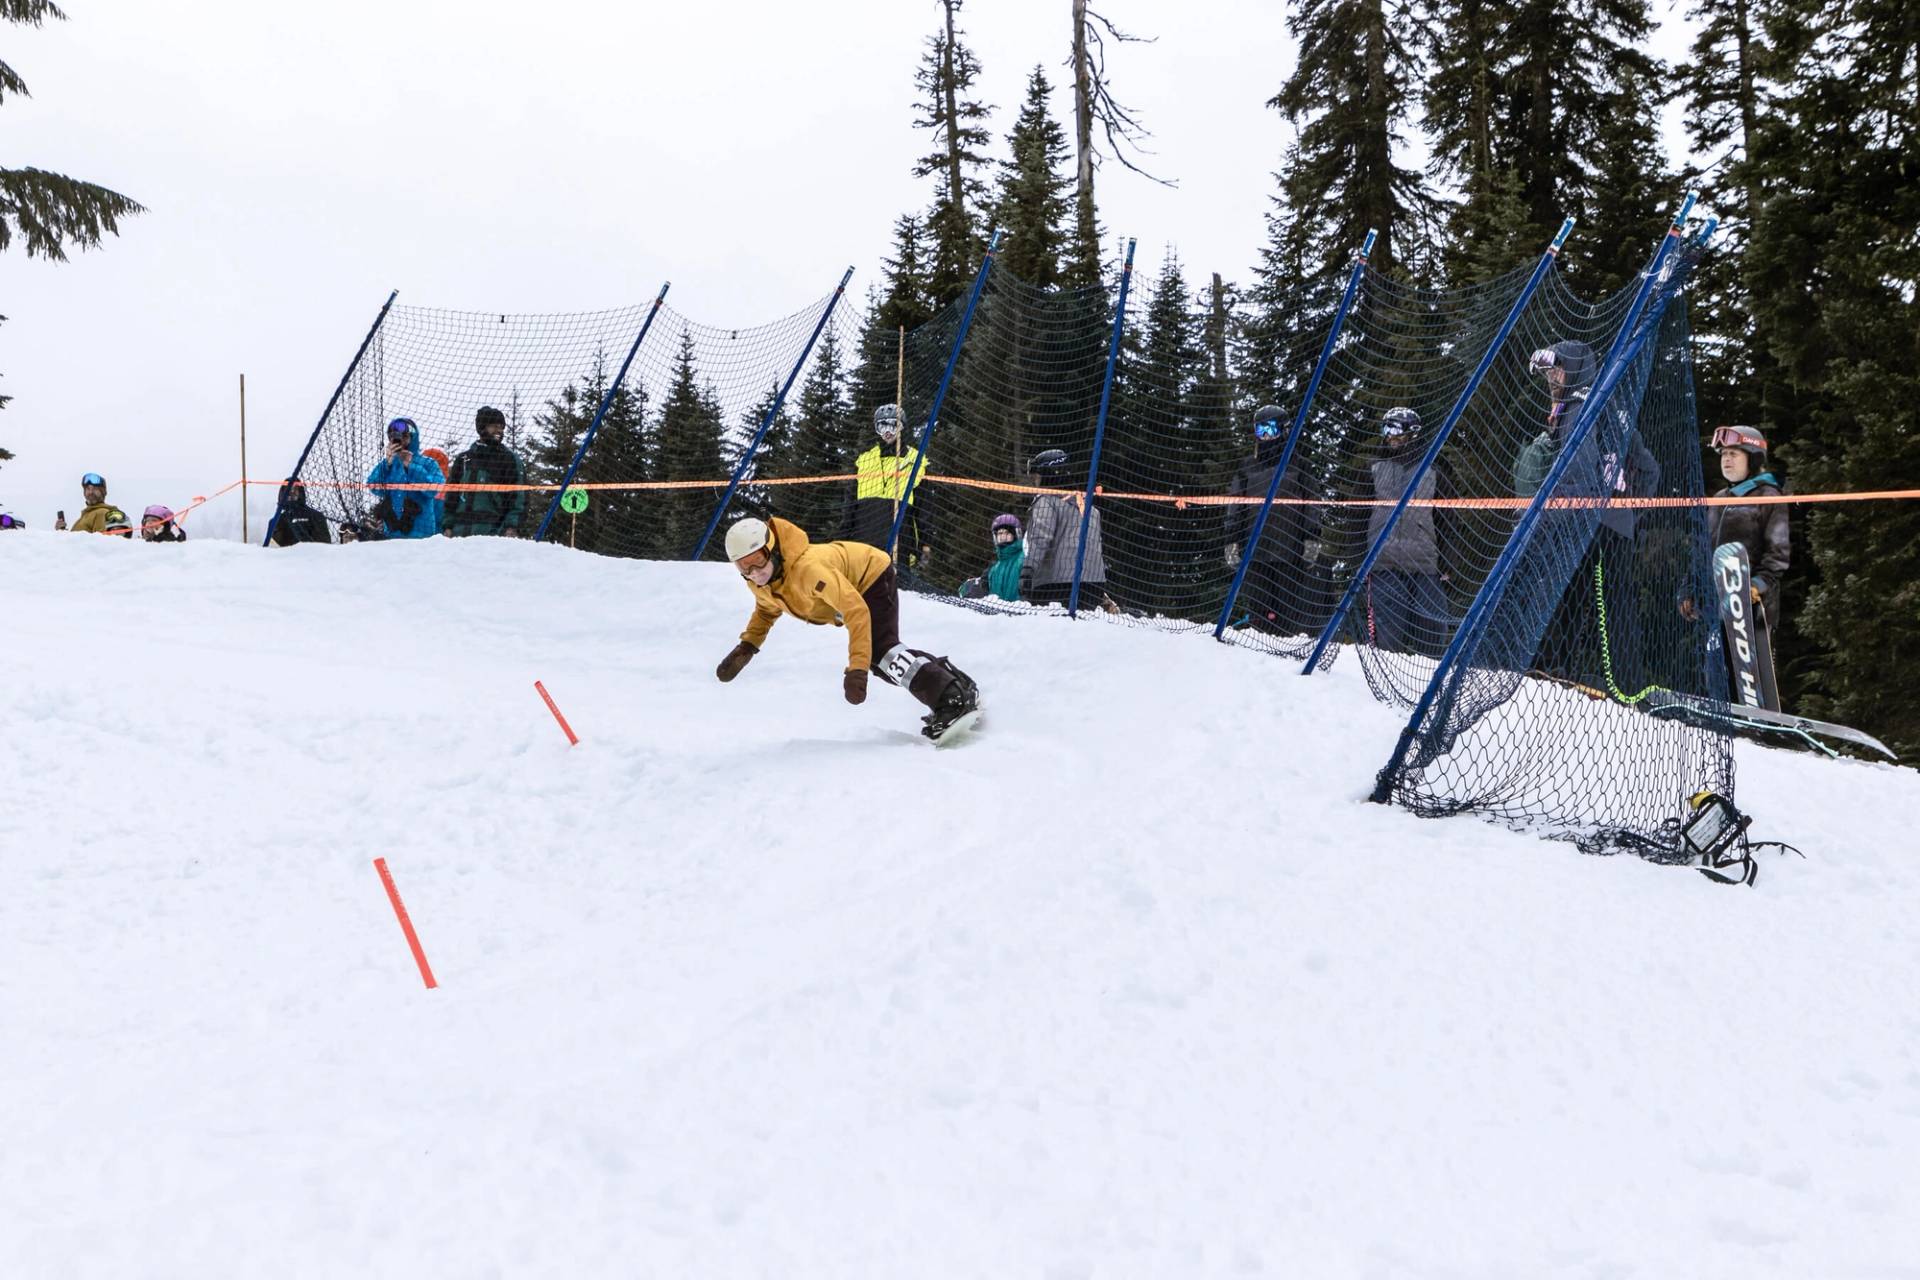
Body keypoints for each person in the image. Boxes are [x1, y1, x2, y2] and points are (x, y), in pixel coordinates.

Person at [714, 515, 982, 742]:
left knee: (881, 652)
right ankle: (951, 684)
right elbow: (767, 608)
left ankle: (951, 697)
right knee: (878, 660)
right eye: (744, 566)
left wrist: (856, 670)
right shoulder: (760, 581)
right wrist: (747, 646)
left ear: (772, 550)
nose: (755, 571)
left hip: (871, 576)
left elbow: (856, 611)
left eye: (758, 559)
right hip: (854, 590)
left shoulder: (808, 570)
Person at [1516, 340, 1662, 686]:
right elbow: (1648, 469)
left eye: (1558, 369)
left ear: (1577, 368)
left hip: (1584, 523)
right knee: (1593, 600)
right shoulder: (1611, 403)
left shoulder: (1578, 408)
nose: (1553, 378)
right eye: (1549, 372)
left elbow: (1578, 474)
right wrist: (1626, 514)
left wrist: (1545, 521)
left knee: (1575, 600)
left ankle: (1598, 681)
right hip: (1609, 525)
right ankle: (1567, 674)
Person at [1224, 404, 1325, 635]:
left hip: (1289, 550)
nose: (1266, 437)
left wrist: (1312, 538)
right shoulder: (1247, 467)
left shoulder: (1299, 465)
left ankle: (1285, 654)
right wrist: (1232, 541)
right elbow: (1235, 506)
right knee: (1260, 610)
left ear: (1284, 431)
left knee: (1288, 610)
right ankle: (1259, 656)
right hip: (1255, 549)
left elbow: (1312, 504)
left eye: (1270, 430)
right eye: (1261, 431)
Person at [1678, 425, 1790, 632]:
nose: (1726, 459)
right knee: (1717, 663)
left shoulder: (1768, 495)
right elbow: (1702, 550)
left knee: (1744, 664)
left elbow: (1778, 555)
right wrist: (1688, 588)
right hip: (1715, 608)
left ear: (1753, 459)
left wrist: (1757, 585)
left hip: (1752, 611)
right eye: (1723, 454)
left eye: (1733, 454)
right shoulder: (1719, 499)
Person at [1364, 408, 1453, 656]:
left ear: (1412, 433)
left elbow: (1448, 519)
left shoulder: (1434, 469)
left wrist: (1447, 561)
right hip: (1384, 562)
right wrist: (1358, 557)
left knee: (1432, 632)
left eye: (1395, 429)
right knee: (1387, 638)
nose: (1389, 436)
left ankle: (1432, 682)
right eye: (1386, 429)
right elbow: (1357, 516)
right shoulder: (1373, 468)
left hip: (1425, 563)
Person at [1021, 449, 1115, 610]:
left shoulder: (1046, 501)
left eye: (1036, 477)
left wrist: (1028, 570)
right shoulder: (1089, 508)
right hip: (1093, 584)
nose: (1035, 482)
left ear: (1048, 475)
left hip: (1056, 584)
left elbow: (1040, 538)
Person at [842, 404, 932, 567]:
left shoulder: (915, 461)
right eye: (881, 426)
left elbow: (923, 508)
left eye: (892, 425)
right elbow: (850, 507)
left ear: (902, 427)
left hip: (899, 546)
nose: (887, 431)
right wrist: (842, 539)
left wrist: (925, 544)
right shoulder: (864, 461)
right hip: (863, 545)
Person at [445, 405, 529, 538]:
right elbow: (451, 497)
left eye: (501, 427)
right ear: (482, 427)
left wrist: (511, 526)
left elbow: (519, 497)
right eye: (494, 426)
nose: (499, 430)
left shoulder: (509, 459)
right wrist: (448, 526)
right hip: (459, 535)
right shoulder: (463, 459)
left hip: (493, 534)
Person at [364, 417, 443, 539]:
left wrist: (410, 465)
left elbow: (433, 490)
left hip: (421, 535)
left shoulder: (428, 463)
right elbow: (373, 486)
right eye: (394, 438)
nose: (399, 442)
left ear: (413, 438)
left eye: (404, 437)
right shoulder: (387, 464)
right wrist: (387, 465)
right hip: (391, 534)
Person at [958, 513, 1026, 602]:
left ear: (1016, 534)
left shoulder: (1024, 558)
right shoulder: (994, 569)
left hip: (1022, 612)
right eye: (999, 533)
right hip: (998, 613)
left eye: (1007, 533)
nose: (1003, 537)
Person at [270, 480, 335, 546]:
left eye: (295, 489)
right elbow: (273, 547)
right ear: (282, 493)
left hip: (313, 555)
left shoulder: (316, 516)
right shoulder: (276, 521)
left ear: (300, 492)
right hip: (287, 555)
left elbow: (325, 545)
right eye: (288, 489)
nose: (291, 492)